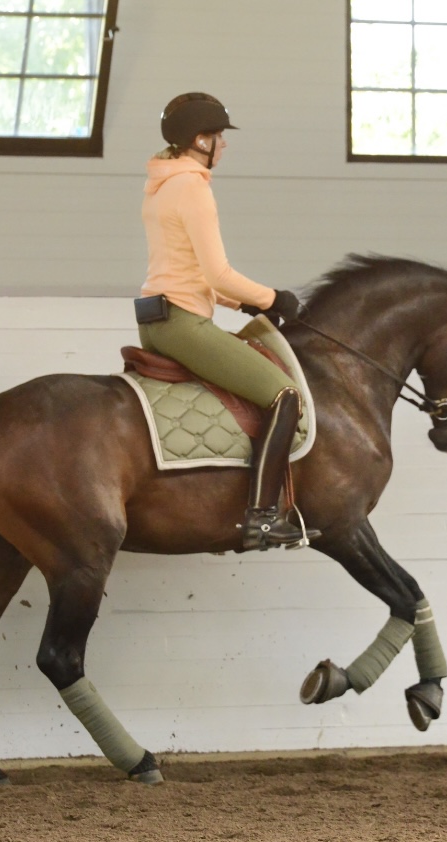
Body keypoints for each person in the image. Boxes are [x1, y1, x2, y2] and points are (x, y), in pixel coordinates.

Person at [136, 92, 318, 551]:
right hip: (182, 324)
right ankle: (260, 518)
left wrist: (245, 306)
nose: (224, 145)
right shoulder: (193, 187)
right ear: (200, 140)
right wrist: (274, 296)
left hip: (156, 319)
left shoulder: (160, 185)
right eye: (219, 137)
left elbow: (189, 273)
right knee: (284, 395)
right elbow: (217, 273)